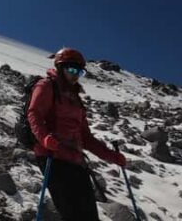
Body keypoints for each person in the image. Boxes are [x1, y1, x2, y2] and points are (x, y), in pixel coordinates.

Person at [28, 47, 127, 221]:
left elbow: (86, 138)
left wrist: (112, 156)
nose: (75, 75)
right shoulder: (47, 86)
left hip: (76, 160)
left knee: (89, 215)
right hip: (52, 156)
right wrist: (45, 138)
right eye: (72, 70)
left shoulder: (76, 99)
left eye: (79, 72)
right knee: (72, 214)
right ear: (60, 67)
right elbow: (34, 113)